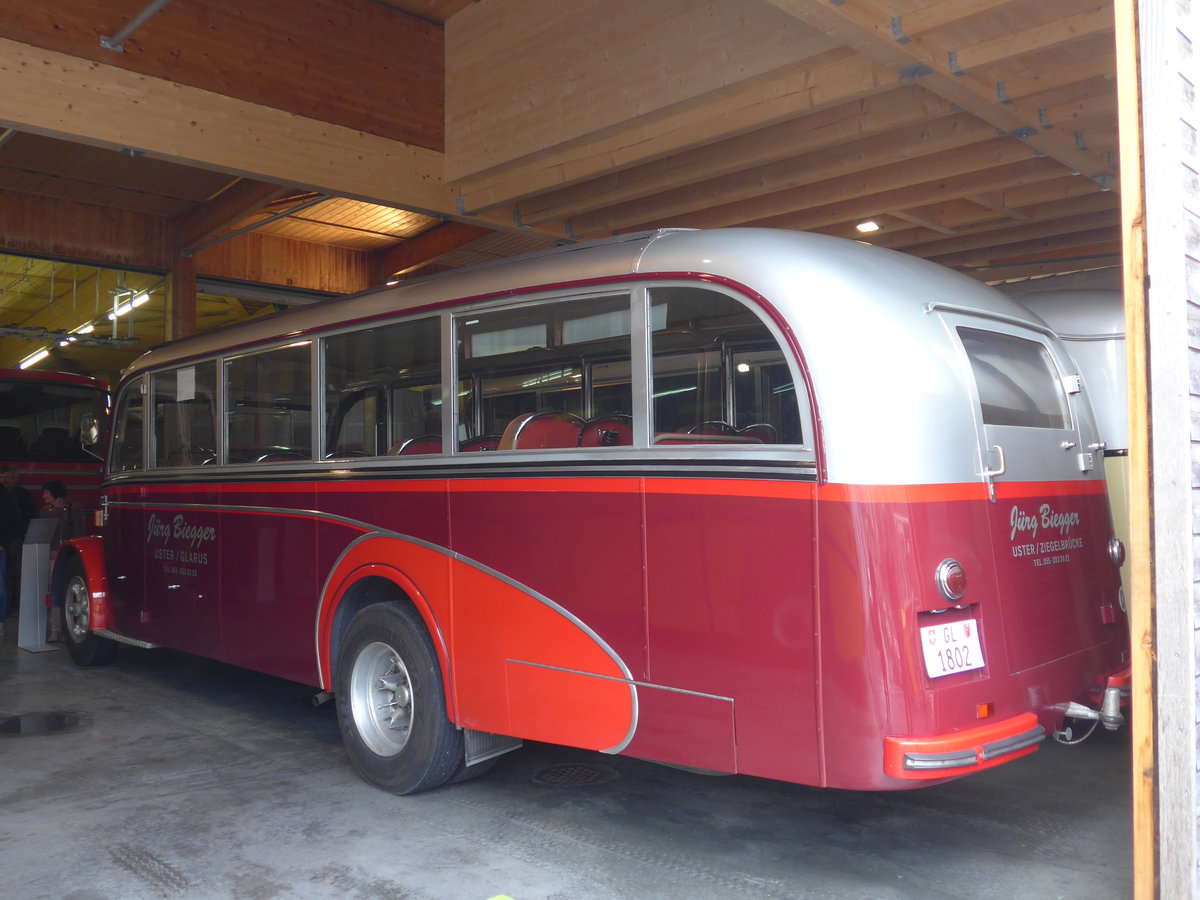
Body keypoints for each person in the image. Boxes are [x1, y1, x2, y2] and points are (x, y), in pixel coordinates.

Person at [40, 479, 86, 642]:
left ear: (55, 493)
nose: (44, 496)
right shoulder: (45, 511)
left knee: (68, 590)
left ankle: (69, 628)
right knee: (54, 591)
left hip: (68, 556)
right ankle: (55, 628)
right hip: (53, 557)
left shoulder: (74, 509)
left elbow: (80, 532)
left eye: (46, 492)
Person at [1, 466, 36, 609]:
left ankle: (13, 604)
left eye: (7, 477)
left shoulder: (23, 495)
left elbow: (28, 516)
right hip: (8, 539)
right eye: (2, 477)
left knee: (14, 573)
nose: (4, 480)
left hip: (15, 539)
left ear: (16, 478)